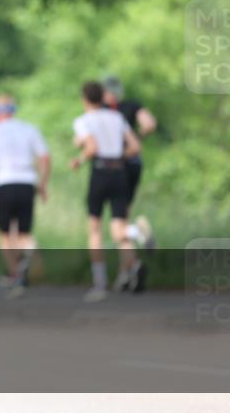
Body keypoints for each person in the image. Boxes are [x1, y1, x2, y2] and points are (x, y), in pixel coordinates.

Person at [71, 81, 142, 302]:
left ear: (84, 99)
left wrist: (79, 159)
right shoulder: (116, 117)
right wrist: (120, 157)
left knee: (94, 229)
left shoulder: (84, 120)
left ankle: (99, 283)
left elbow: (92, 148)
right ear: (102, 97)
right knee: (119, 227)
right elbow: (135, 147)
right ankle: (136, 236)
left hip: (100, 172)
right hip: (119, 171)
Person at [0, 95, 51, 297]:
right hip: (27, 181)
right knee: (24, 232)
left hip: (4, 183)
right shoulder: (29, 129)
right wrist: (43, 184)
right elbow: (44, 157)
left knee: (5, 234)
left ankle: (15, 274)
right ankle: (29, 256)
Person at [101, 75, 158, 250]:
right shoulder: (132, 105)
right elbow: (149, 124)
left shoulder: (101, 111)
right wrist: (136, 137)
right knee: (123, 218)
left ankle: (138, 232)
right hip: (135, 163)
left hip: (116, 166)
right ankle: (129, 270)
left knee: (117, 227)